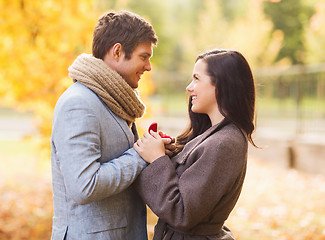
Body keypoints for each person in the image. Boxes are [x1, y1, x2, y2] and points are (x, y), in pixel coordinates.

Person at [50, 11, 159, 240]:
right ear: (117, 52)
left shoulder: (114, 100)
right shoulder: (79, 103)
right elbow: (84, 186)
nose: (148, 67)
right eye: (143, 57)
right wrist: (140, 155)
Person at [133, 49, 257, 240]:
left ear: (221, 85)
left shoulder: (224, 143)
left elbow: (182, 213)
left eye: (197, 79)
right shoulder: (213, 135)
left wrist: (157, 160)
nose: (189, 87)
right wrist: (166, 155)